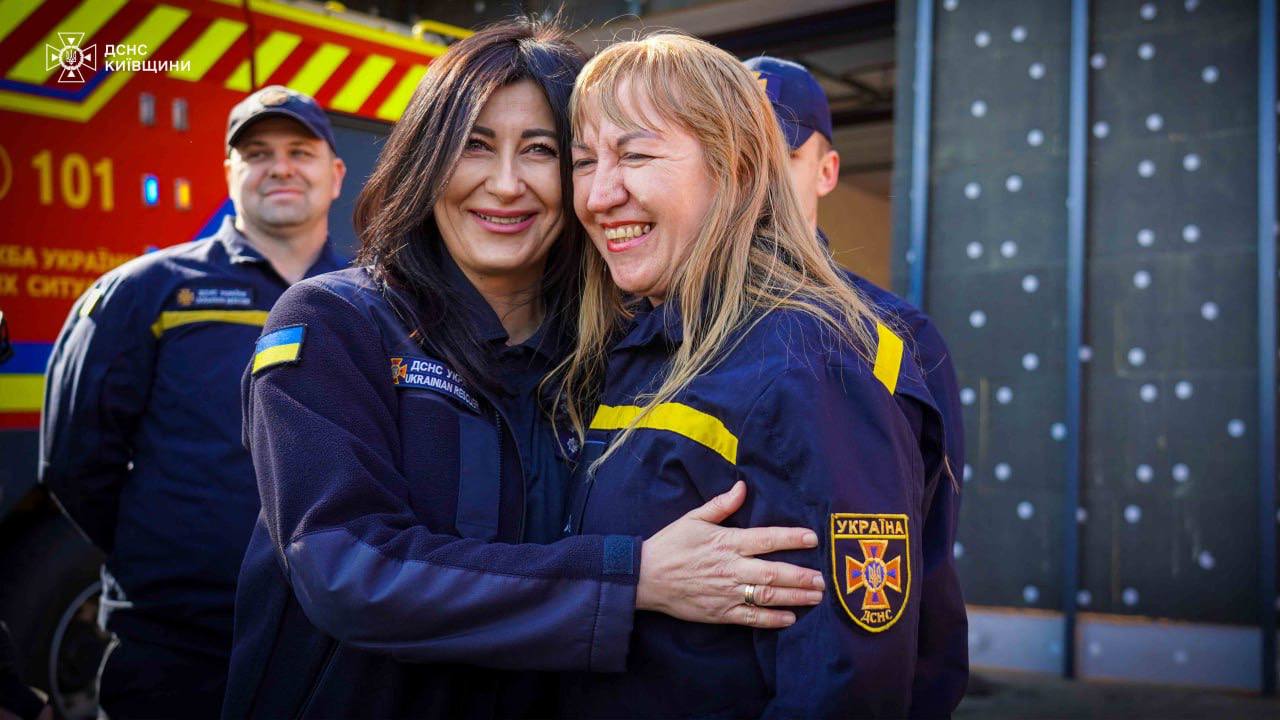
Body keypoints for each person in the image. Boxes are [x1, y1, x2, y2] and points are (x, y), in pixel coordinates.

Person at [224, 21, 825, 719]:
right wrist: (628, 579)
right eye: (474, 145)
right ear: (426, 158)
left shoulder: (612, 355)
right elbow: (344, 568)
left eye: (541, 150)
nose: (505, 185)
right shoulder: (335, 322)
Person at [556, 33, 950, 717]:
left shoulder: (807, 361)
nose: (598, 195)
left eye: (636, 155)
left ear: (735, 168)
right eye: (585, 161)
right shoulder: (635, 342)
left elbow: (846, 686)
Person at [40, 86, 347, 718]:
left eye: (300, 151)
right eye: (257, 154)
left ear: (336, 174)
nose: (280, 167)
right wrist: (172, 549)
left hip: (330, 641)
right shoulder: (144, 293)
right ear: (229, 173)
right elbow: (75, 464)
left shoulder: (374, 302)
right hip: (177, 648)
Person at [746, 55, 969, 717]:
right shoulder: (651, 320)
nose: (756, 178)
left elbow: (925, 555)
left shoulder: (894, 336)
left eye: (781, 154)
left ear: (827, 170)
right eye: (737, 154)